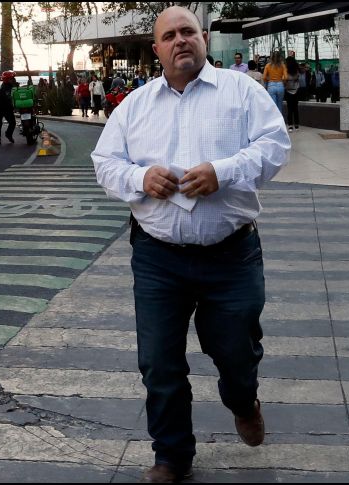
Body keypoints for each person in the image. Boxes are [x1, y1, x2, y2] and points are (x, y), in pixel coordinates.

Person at [91, 6, 290, 483]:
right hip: (159, 257)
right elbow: (104, 162)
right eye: (169, 36)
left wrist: (224, 171)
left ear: (203, 38)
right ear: (156, 49)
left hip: (231, 255)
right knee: (159, 361)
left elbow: (275, 146)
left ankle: (243, 400)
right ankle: (172, 456)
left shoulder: (243, 92)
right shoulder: (135, 106)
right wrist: (141, 176)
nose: (181, 40)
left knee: (236, 352)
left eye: (188, 32)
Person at [0, 70, 17, 146]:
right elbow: (8, 99)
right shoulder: (5, 88)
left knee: (12, 123)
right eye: (12, 78)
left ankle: (8, 134)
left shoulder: (11, 86)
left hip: (6, 107)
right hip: (1, 107)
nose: (13, 80)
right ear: (8, 79)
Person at [284, 56, 301, 132]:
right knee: (295, 108)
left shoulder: (286, 70)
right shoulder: (296, 70)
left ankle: (290, 126)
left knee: (289, 108)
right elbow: (297, 77)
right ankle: (296, 125)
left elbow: (285, 79)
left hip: (288, 90)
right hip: (296, 90)